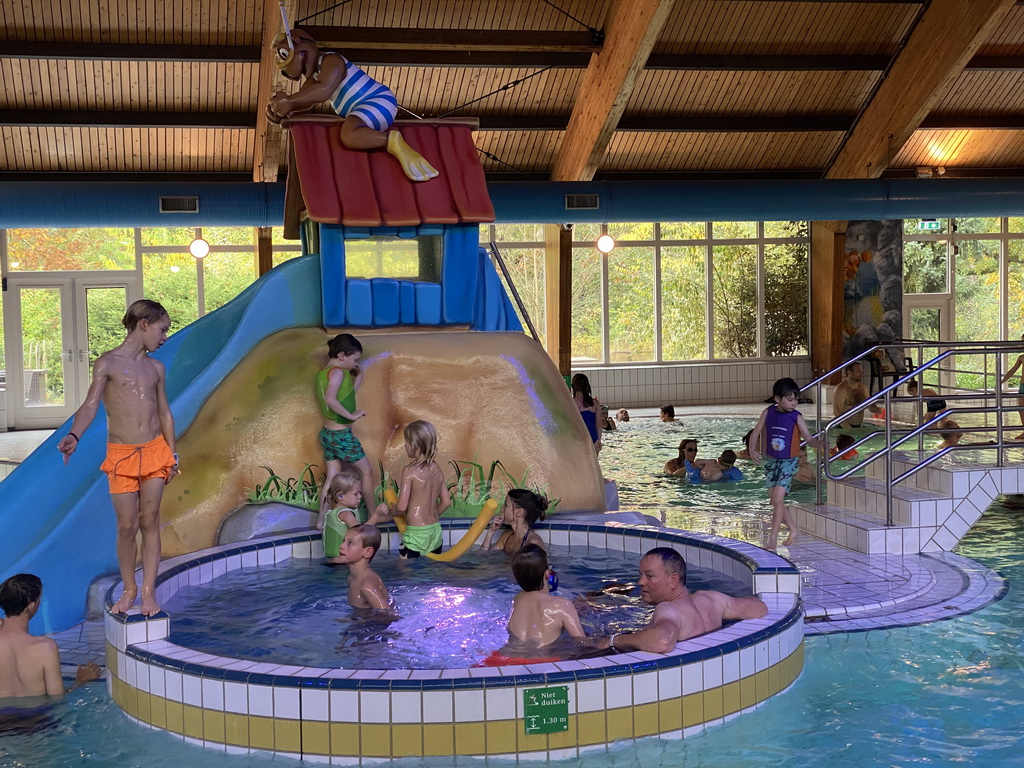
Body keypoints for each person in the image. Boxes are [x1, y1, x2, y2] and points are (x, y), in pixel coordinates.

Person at [57, 299, 177, 617]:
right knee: (126, 525)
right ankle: (130, 588)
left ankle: (149, 592)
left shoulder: (156, 368)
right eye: (162, 329)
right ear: (144, 324)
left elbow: (164, 412)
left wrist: (172, 452)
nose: (164, 337)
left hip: (154, 451)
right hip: (122, 454)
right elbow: (90, 405)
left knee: (149, 520)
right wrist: (74, 435)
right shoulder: (107, 364)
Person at [265, 26, 437, 182]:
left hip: (377, 100)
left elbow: (323, 89)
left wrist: (290, 101)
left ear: (300, 46)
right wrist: (283, 111)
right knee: (348, 134)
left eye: (285, 55)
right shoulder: (313, 77)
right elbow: (306, 100)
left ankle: (391, 141)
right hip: (361, 108)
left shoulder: (331, 60)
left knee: (349, 134)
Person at [595, 549, 767, 653]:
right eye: (641, 575)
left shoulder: (669, 609)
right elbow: (759, 608)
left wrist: (614, 640)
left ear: (673, 580)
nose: (641, 582)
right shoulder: (712, 599)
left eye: (649, 576)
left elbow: (662, 641)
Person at [315, 333, 387, 531]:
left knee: (332, 477)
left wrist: (360, 375)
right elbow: (331, 400)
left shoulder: (325, 373)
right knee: (366, 471)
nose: (355, 363)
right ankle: (373, 514)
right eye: (354, 359)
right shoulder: (338, 372)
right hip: (341, 436)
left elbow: (345, 395)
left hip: (328, 434)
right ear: (342, 355)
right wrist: (351, 415)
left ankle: (321, 520)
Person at [748, 377, 824, 549]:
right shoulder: (768, 412)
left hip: (788, 463)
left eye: (796, 399)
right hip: (770, 461)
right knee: (776, 501)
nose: (794, 403)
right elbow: (756, 432)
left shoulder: (796, 417)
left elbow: (809, 439)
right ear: (777, 399)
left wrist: (818, 444)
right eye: (790, 400)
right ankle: (793, 530)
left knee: (776, 499)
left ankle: (773, 538)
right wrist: (753, 449)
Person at [0, 574, 101, 698]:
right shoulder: (45, 648)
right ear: (31, 606)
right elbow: (57, 699)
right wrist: (81, 680)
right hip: (38, 717)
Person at [391, 420, 452, 559]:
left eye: (406, 442)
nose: (405, 446)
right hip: (435, 531)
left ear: (414, 444)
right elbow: (446, 502)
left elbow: (401, 507)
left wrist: (394, 510)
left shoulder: (409, 471)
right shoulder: (436, 469)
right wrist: (429, 517)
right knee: (430, 576)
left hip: (417, 533)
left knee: (405, 576)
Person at [322, 465, 389, 565]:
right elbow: (361, 532)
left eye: (360, 494)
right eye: (356, 494)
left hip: (334, 561)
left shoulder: (332, 512)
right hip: (343, 561)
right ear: (340, 496)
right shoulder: (345, 514)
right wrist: (377, 515)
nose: (360, 497)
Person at [337, 525, 394, 614]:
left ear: (367, 552)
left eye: (350, 543)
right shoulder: (352, 577)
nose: (341, 546)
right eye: (343, 541)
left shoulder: (367, 586)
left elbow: (390, 615)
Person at [480, 488, 549, 554]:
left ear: (519, 512)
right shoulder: (507, 537)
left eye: (506, 505)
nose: (501, 509)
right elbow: (485, 556)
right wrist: (491, 532)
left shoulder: (533, 543)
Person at [832, 362, 881, 428]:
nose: (861, 374)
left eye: (861, 371)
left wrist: (880, 411)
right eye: (858, 371)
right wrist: (849, 430)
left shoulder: (862, 388)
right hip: (844, 428)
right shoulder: (841, 389)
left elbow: (871, 408)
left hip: (859, 426)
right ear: (849, 373)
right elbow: (837, 412)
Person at [999, 334, 1024, 440]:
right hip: (1023, 385)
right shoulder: (1021, 357)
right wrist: (1002, 381)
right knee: (1021, 409)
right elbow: (1012, 371)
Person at [571, 373, 602, 452]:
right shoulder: (595, 403)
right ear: (588, 386)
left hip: (578, 439)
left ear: (573, 387)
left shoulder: (572, 403)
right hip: (593, 438)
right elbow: (599, 423)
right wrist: (599, 439)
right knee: (594, 464)